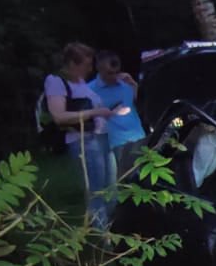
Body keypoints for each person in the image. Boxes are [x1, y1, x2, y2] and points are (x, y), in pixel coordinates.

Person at [44, 41, 124, 230]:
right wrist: (93, 113)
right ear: (73, 63)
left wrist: (108, 113)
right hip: (83, 141)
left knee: (112, 190)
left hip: (103, 138)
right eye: (86, 64)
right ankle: (102, 238)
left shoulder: (80, 82)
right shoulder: (55, 81)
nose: (90, 69)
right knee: (97, 192)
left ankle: (114, 229)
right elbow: (59, 116)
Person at [90, 50, 146, 180]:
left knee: (144, 179)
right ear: (99, 68)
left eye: (116, 72)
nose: (114, 76)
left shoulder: (125, 83)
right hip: (117, 142)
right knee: (126, 180)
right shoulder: (90, 90)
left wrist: (134, 85)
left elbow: (133, 104)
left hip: (139, 136)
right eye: (110, 73)